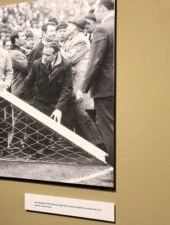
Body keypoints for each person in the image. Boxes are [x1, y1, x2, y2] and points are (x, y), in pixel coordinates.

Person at [15, 42, 75, 159]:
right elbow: (27, 83)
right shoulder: (37, 64)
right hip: (40, 99)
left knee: (48, 127)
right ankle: (33, 150)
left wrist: (58, 108)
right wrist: (14, 96)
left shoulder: (66, 65)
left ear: (56, 54)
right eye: (43, 54)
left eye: (47, 55)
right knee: (30, 118)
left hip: (56, 101)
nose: (44, 57)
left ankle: (46, 146)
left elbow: (67, 89)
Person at [77, 0, 115, 165]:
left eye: (96, 11)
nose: (95, 15)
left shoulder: (102, 29)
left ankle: (116, 169)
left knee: (110, 129)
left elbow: (95, 62)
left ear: (101, 9)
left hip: (106, 88)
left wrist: (83, 88)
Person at [59, 18, 104, 149]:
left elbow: (68, 59)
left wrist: (58, 50)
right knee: (77, 113)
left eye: (70, 25)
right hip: (73, 81)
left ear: (76, 28)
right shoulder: (70, 39)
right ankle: (86, 145)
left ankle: (97, 144)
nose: (67, 27)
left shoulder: (81, 40)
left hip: (80, 82)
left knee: (83, 113)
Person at [9, 30, 28, 148]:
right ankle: (15, 144)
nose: (25, 38)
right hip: (19, 89)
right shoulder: (15, 54)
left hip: (21, 89)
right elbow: (27, 68)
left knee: (21, 117)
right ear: (16, 39)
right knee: (20, 117)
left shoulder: (18, 52)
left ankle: (19, 143)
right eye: (23, 36)